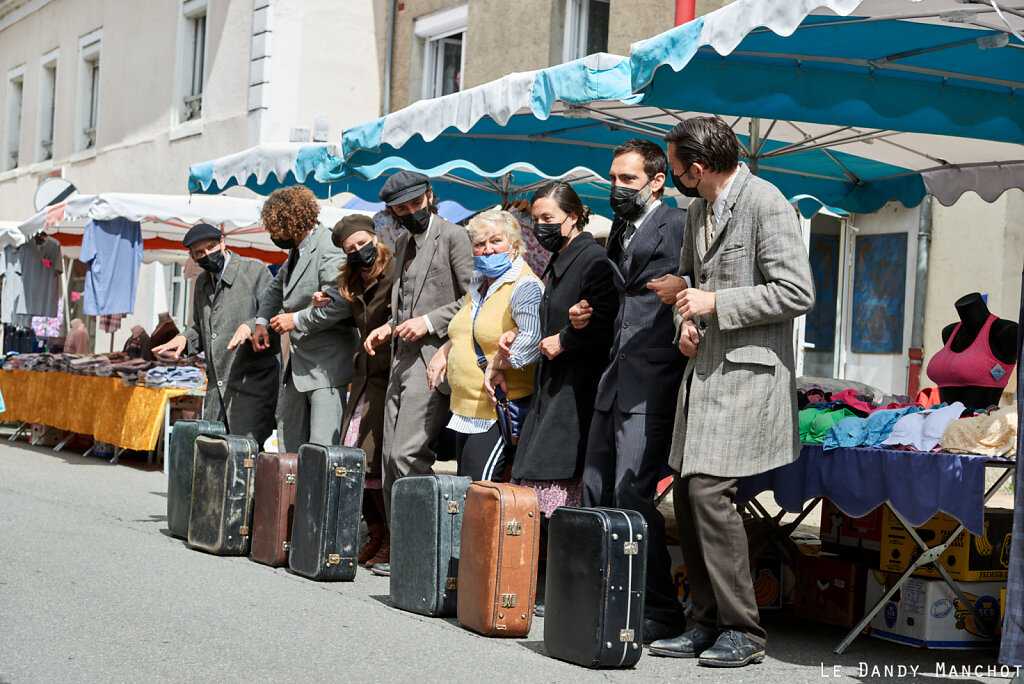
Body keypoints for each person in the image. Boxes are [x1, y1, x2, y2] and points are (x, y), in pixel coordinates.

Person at [649, 116, 814, 667]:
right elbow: (688, 287)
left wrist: (715, 305)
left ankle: (743, 629)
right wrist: (685, 324)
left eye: (674, 170)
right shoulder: (698, 208)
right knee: (689, 495)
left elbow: (797, 292)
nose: (674, 178)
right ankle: (706, 622)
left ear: (697, 168)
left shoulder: (768, 203)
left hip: (749, 377)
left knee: (707, 495)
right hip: (705, 375)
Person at [570, 138, 689, 644]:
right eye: (613, 178)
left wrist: (683, 287)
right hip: (613, 377)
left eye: (628, 180)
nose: (616, 187)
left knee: (634, 495)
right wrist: (586, 315)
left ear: (657, 181)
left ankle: (661, 610)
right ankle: (610, 597)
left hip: (654, 379)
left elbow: (703, 282)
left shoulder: (681, 224)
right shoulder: (619, 227)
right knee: (596, 489)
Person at [363, 170, 473, 575]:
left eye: (415, 204)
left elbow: (473, 298)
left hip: (433, 360)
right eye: (401, 208)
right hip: (400, 360)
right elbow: (405, 302)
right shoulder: (403, 241)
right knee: (391, 457)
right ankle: (402, 541)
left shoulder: (455, 237)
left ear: (429, 196)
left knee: (408, 454)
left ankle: (420, 545)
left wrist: (428, 322)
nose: (411, 213)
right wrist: (389, 326)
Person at [426, 208, 542, 482]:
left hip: (497, 411)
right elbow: (468, 330)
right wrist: (445, 351)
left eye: (495, 241)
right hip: (466, 408)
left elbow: (532, 339)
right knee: (466, 491)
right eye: (479, 244)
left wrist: (499, 362)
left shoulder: (524, 285)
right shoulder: (478, 284)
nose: (487, 250)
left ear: (514, 246)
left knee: (480, 495)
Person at [315, 215, 396, 570]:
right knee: (353, 456)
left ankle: (392, 537)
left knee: (372, 457)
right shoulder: (351, 280)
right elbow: (354, 316)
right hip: (363, 377)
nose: (360, 250)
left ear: (375, 238)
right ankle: (376, 532)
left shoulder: (395, 271)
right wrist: (325, 297)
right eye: (352, 248)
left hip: (387, 375)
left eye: (363, 242)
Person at [251, 187, 358, 452]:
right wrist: (261, 322)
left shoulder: (328, 247)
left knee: (322, 452)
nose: (274, 236)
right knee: (290, 443)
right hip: (299, 367)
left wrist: (295, 320)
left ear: (293, 224)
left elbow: (340, 304)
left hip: (327, 368)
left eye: (277, 229)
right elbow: (277, 288)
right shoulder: (298, 249)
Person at [153, 223, 280, 443]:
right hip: (216, 390)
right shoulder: (202, 281)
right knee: (215, 456)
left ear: (223, 242)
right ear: (192, 257)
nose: (207, 255)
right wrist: (184, 338)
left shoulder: (254, 270)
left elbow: (277, 313)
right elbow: (202, 329)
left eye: (211, 247)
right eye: (200, 253)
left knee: (246, 456)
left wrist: (250, 325)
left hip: (252, 387)